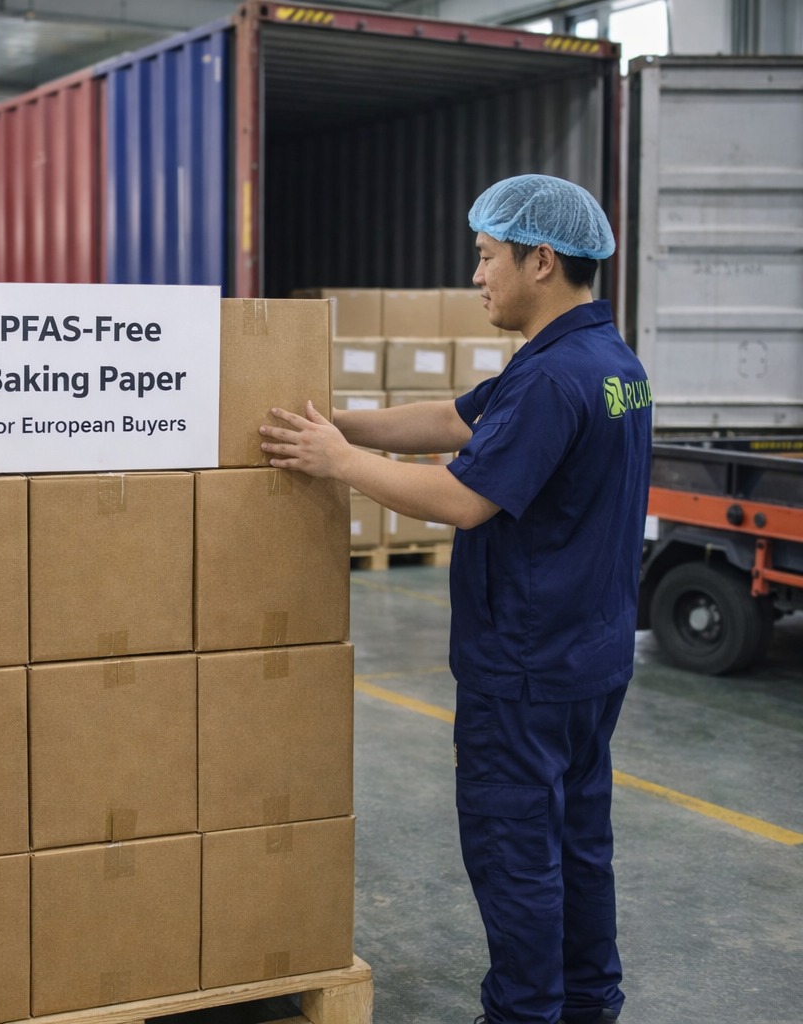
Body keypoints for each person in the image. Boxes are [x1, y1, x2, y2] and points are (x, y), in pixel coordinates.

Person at [260, 174, 651, 1024]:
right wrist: (335, 423)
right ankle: (588, 1005)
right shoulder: (602, 361)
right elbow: (454, 421)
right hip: (589, 661)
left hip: (526, 667)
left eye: (486, 256)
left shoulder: (554, 379)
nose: (477, 275)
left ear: (539, 260)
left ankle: (522, 1015)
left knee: (517, 856)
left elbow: (463, 498)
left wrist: (336, 465)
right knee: (580, 846)